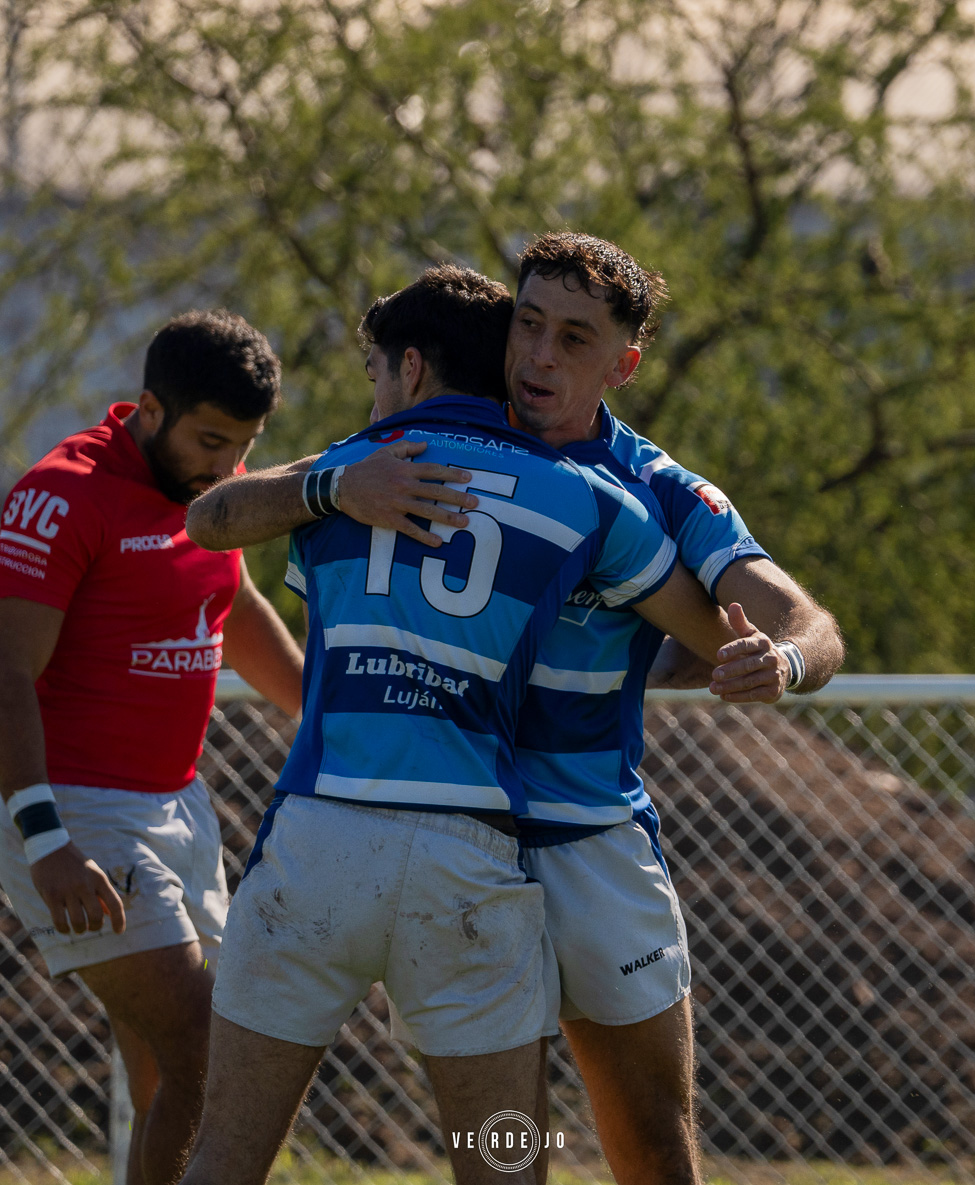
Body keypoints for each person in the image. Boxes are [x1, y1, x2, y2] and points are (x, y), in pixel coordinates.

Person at [187, 235, 843, 1185]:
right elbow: (232, 512)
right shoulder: (406, 453)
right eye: (527, 325)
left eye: (574, 339)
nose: (539, 356)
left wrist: (776, 659)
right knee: (506, 1156)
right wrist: (329, 486)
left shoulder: (649, 488)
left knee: (653, 1148)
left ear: (626, 363)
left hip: (582, 838)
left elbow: (803, 620)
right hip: (462, 845)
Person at [0, 310, 305, 1185]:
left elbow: (233, 616)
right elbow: (3, 676)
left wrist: (334, 713)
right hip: (82, 819)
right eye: (209, 440)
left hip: (180, 811)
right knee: (214, 1047)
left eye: (243, 446)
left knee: (166, 1081)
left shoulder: (206, 501)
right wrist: (47, 840)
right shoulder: (65, 492)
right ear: (150, 410)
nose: (226, 468)